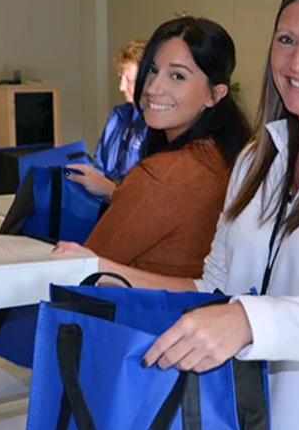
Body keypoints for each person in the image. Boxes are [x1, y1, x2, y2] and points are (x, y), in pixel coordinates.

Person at [59, 0, 299, 429]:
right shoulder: (254, 161)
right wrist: (105, 268)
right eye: (286, 40)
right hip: (229, 412)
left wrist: (246, 322)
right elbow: (213, 286)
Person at [66, 16, 251, 279]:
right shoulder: (227, 154)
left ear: (215, 94)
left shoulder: (165, 173)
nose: (152, 88)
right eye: (152, 70)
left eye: (177, 76)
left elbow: (83, 272)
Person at [94, 40, 148, 182]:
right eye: (120, 78)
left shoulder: (155, 124)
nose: (121, 87)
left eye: (129, 80)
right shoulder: (117, 115)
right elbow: (99, 163)